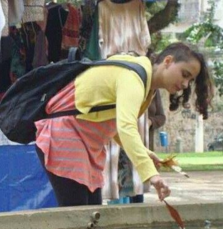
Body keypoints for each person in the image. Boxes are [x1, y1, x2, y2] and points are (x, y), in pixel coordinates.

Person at [35, 42, 213, 207]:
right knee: (79, 219)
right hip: (65, 137)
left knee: (92, 217)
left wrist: (145, 152)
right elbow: (126, 127)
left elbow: (111, 122)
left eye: (190, 81)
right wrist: (151, 175)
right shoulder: (134, 78)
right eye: (185, 74)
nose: (185, 84)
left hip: (85, 144)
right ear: (168, 61)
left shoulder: (144, 83)